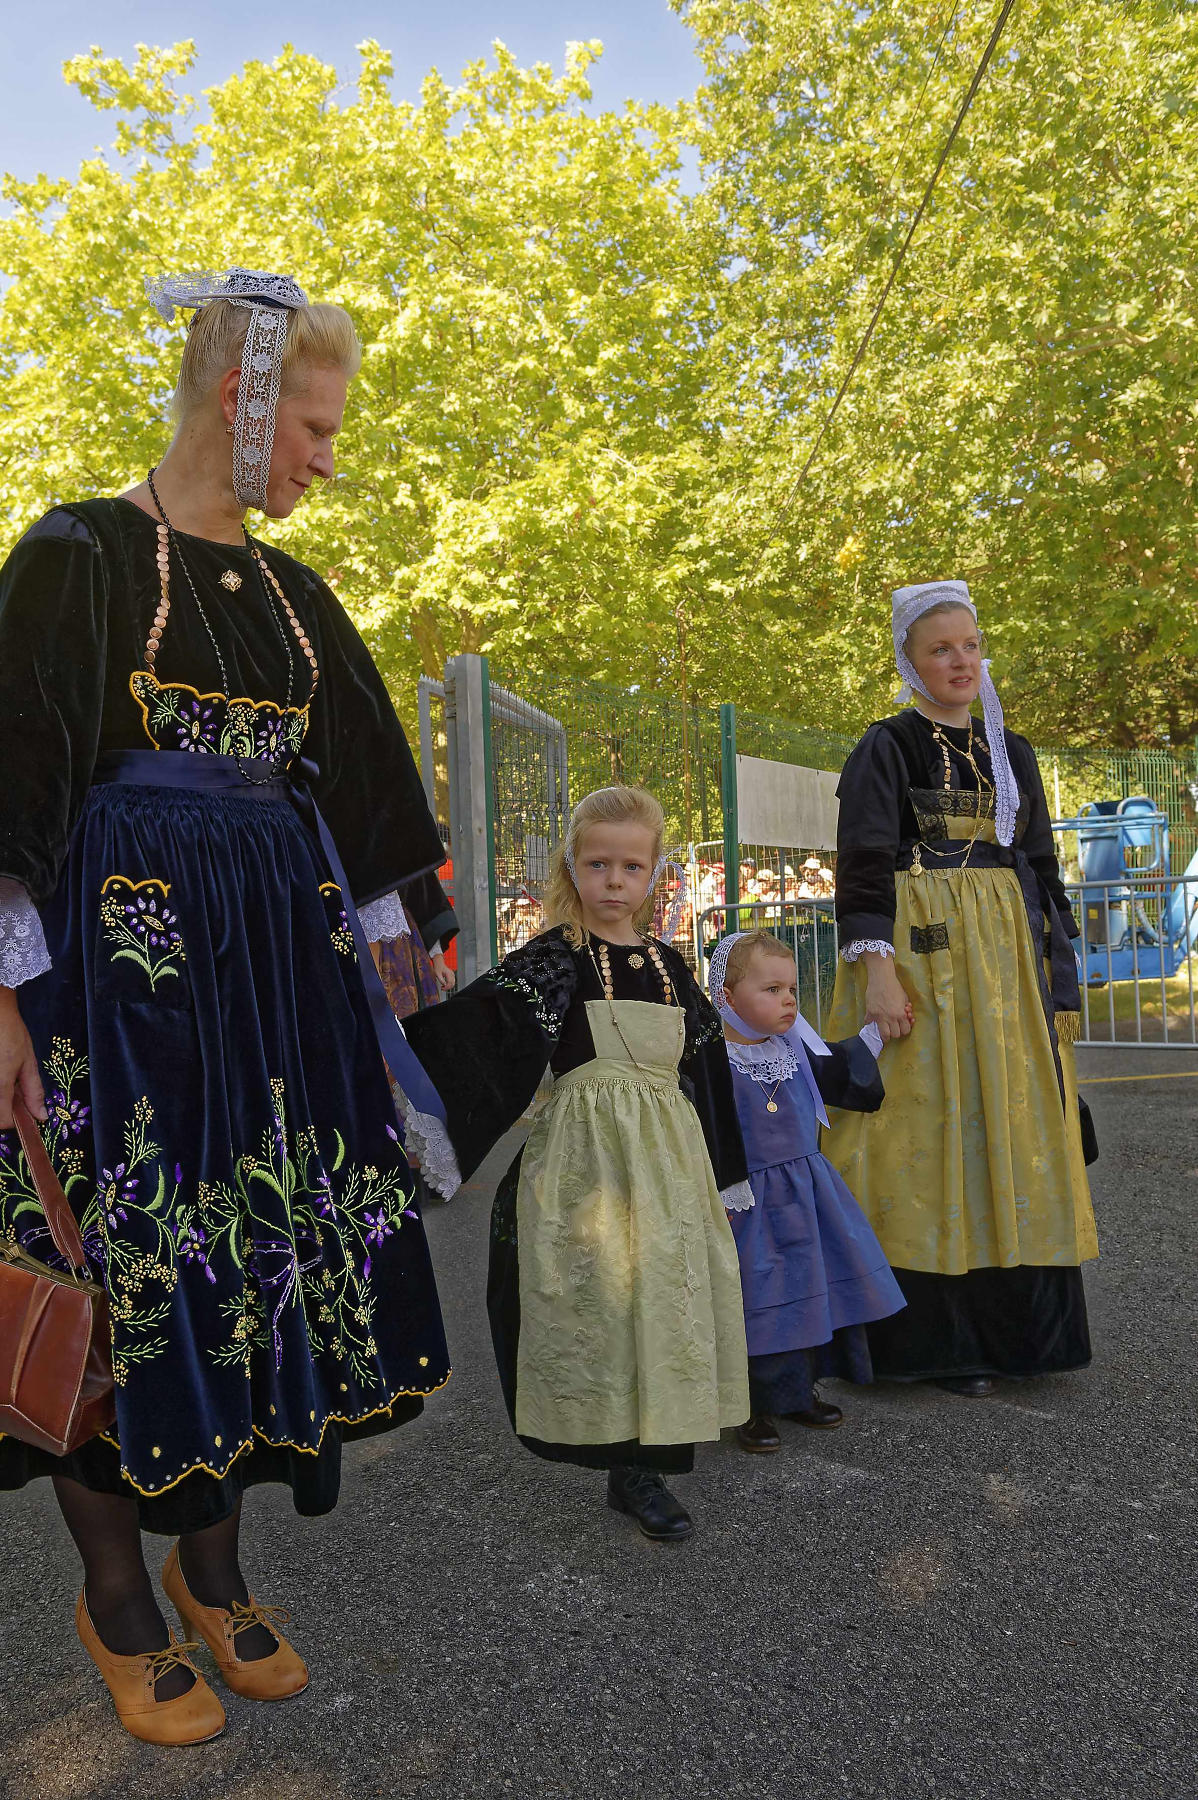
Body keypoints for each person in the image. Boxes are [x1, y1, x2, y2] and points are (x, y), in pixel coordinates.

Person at [0, 269, 450, 1744]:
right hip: (116, 988)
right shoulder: (77, 554)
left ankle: (216, 1572)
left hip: (272, 988)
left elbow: (367, 783)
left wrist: (398, 944)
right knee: (129, 1258)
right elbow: (15, 771)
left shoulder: (301, 604)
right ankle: (117, 1597)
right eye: (314, 427)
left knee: (250, 1257)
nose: (327, 459)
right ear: (242, 403)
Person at [404, 785, 752, 1543]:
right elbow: (479, 1030)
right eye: (598, 864)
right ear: (573, 866)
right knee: (602, 1304)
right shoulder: (556, 960)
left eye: (631, 866)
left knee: (662, 1299)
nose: (614, 881)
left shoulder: (670, 966)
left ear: (654, 873)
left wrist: (726, 1173)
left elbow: (708, 1071)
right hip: (585, 1164)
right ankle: (614, 1452)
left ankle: (646, 1470)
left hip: (668, 1166)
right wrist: (391, 1044)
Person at [823, 580, 1098, 1397]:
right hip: (921, 956)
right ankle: (934, 1344)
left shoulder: (1012, 750)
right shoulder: (887, 745)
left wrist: (1056, 967)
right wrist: (877, 972)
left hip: (1007, 968)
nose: (960, 661)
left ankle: (1015, 1335)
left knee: (1008, 1121)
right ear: (909, 661)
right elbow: (864, 859)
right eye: (940, 648)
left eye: (970, 646)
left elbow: (1039, 861)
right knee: (928, 1125)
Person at [711, 930, 904, 1452]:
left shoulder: (795, 1051)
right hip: (747, 1202)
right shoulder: (712, 1064)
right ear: (727, 996)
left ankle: (799, 1391)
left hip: (807, 1195)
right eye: (771, 990)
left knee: (807, 1288)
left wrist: (876, 1033)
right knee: (758, 1297)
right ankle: (750, 1405)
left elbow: (843, 1070)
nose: (789, 1001)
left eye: (792, 989)